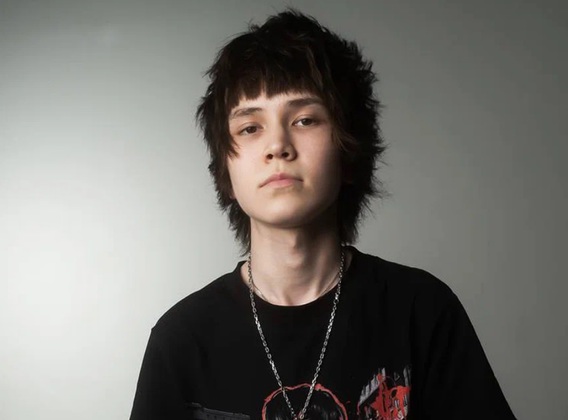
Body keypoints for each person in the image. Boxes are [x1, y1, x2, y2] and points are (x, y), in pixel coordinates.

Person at [130, 9, 516, 420]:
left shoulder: (421, 312)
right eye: (250, 128)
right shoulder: (182, 339)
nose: (277, 146)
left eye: (304, 120)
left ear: (348, 151)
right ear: (226, 171)